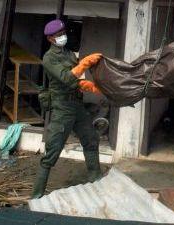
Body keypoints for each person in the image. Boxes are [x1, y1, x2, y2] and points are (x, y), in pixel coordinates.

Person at [32, 19, 103, 199]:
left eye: (63, 33)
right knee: (52, 152)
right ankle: (36, 196)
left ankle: (96, 179)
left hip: (77, 105)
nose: (62, 36)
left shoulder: (69, 54)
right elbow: (66, 77)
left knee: (91, 140)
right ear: (50, 39)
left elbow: (77, 80)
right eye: (58, 35)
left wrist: (89, 86)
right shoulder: (49, 58)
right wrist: (84, 63)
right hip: (62, 107)